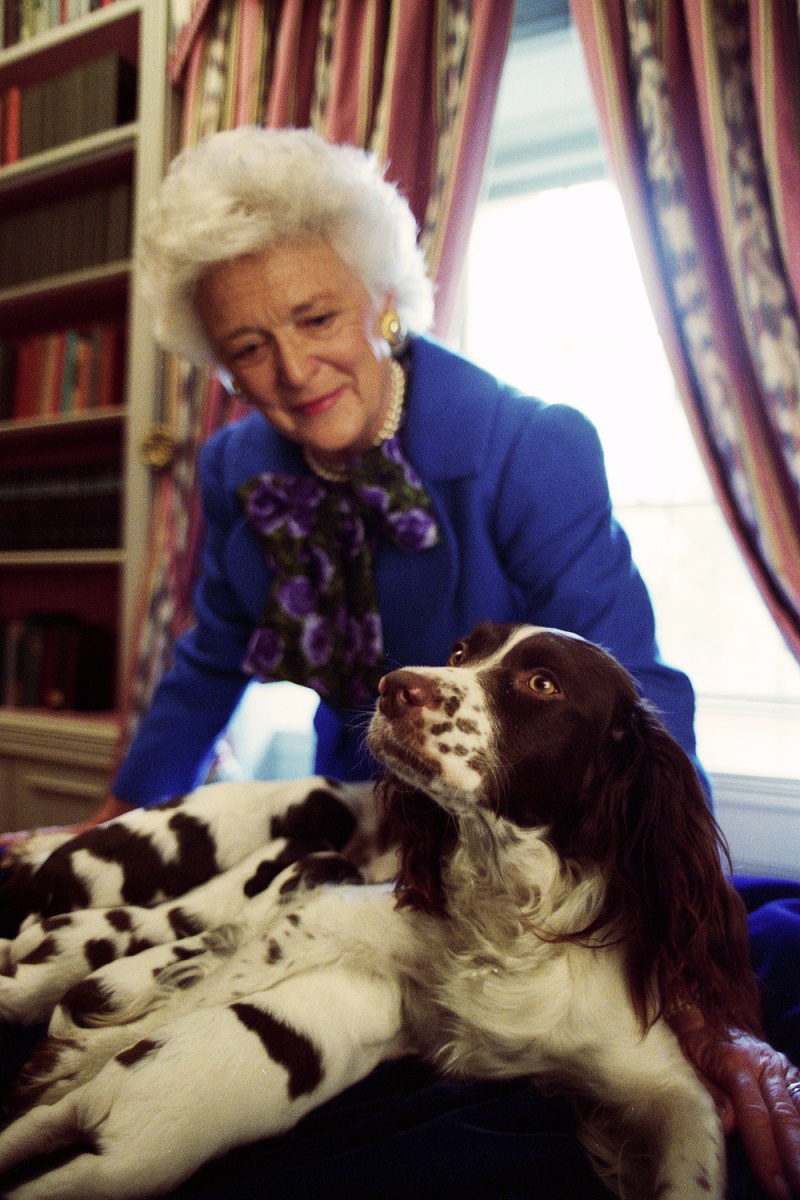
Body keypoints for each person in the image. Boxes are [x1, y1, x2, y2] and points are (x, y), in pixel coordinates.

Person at [3, 126, 800, 1197]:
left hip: (504, 824)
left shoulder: (527, 445)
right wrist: (126, 803)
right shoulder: (236, 465)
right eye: (246, 346)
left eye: (317, 317)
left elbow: (637, 695)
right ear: (215, 358)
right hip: (366, 811)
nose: (291, 370)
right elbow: (207, 655)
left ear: (380, 297)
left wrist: (694, 976)